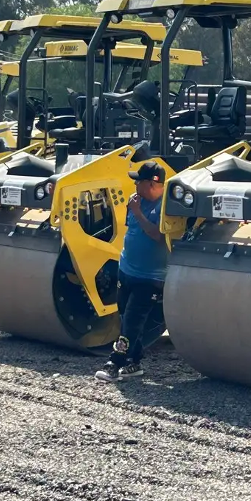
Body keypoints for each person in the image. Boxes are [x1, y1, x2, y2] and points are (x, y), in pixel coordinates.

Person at [95, 161, 168, 382]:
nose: (134, 184)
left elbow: (159, 236)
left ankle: (114, 362)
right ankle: (134, 362)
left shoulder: (166, 206)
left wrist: (138, 213)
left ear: (151, 183)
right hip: (126, 270)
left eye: (138, 180)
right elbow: (132, 231)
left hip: (150, 277)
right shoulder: (136, 201)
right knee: (126, 317)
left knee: (134, 320)